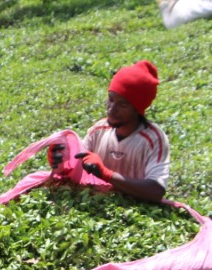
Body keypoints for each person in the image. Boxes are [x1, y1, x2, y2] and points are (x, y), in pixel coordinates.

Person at [50, 59, 170, 204]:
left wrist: (106, 174)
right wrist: (61, 160)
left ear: (138, 109)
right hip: (98, 202)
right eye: (111, 100)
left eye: (122, 104)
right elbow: (76, 168)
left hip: (135, 207)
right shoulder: (99, 130)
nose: (112, 109)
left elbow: (156, 191)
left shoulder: (153, 139)